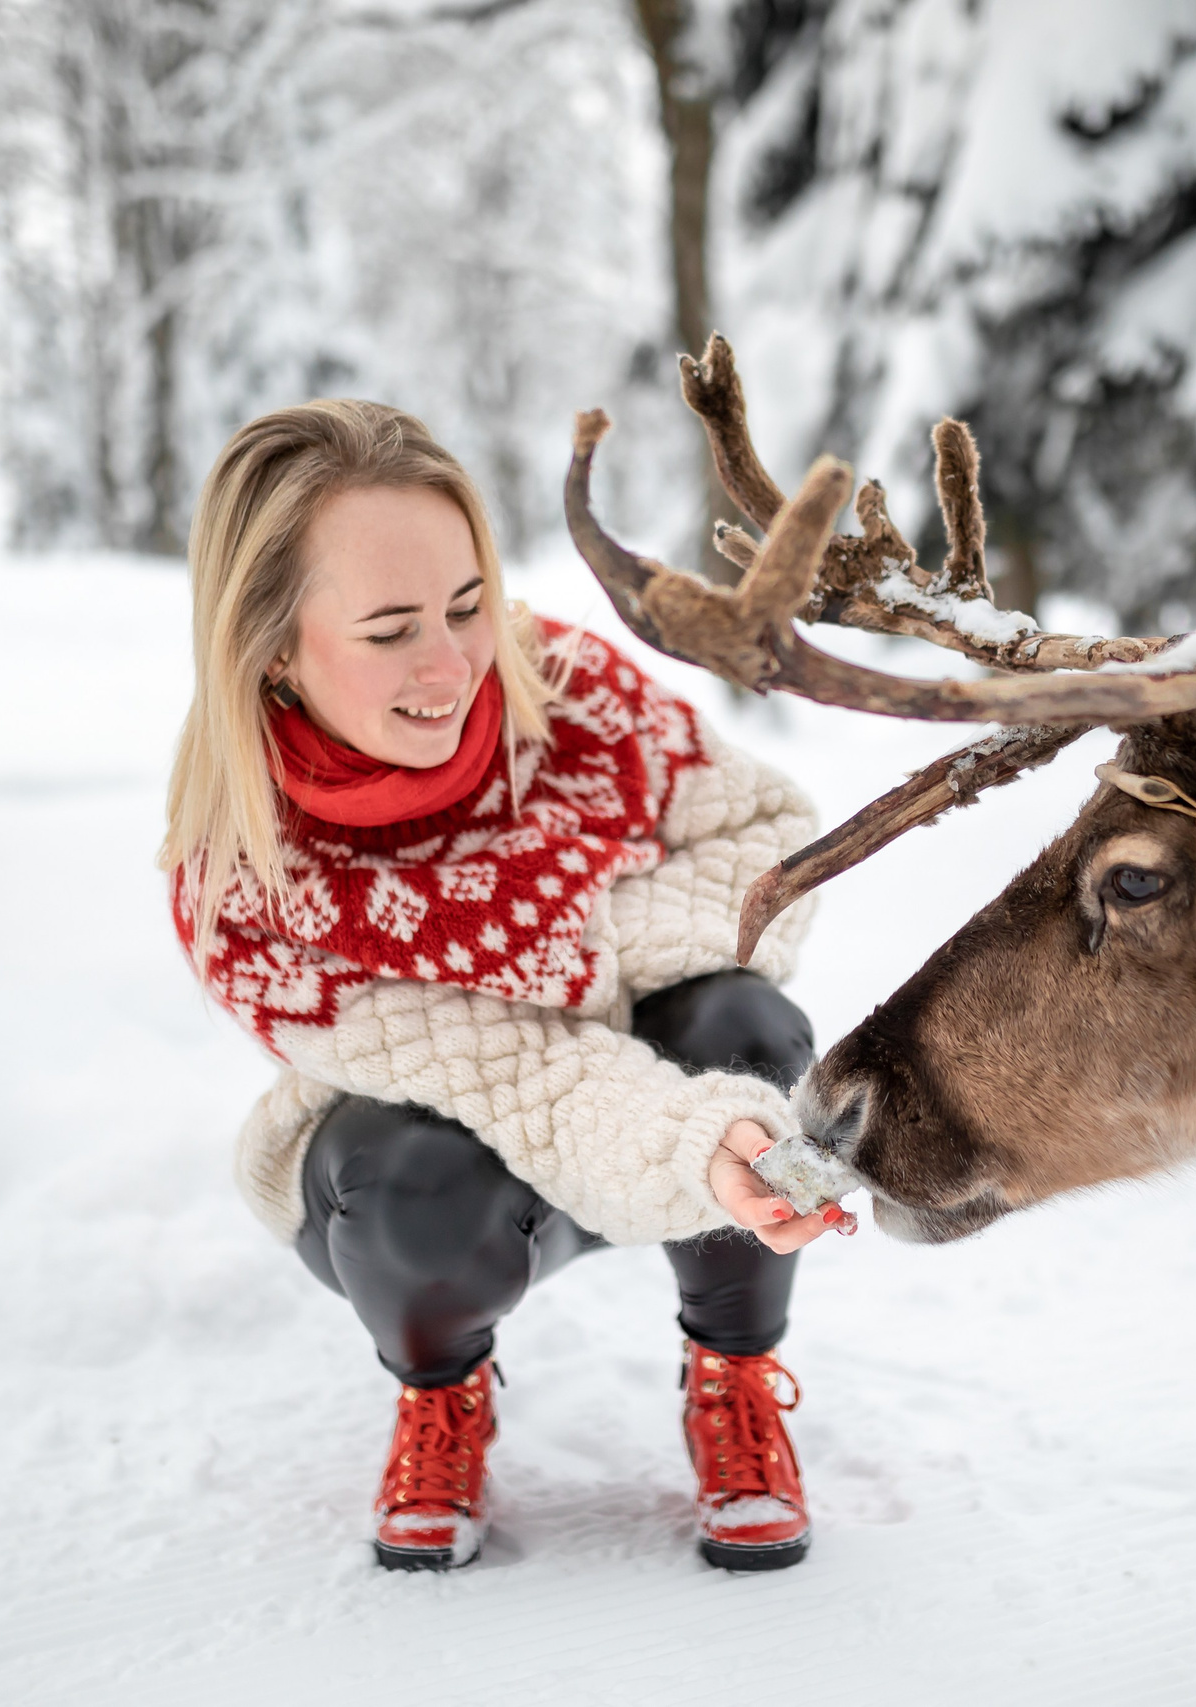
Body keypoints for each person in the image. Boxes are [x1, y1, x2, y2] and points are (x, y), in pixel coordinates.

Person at [161, 399, 846, 1573]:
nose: (451, 666)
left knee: (746, 1030)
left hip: (630, 1103)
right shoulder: (246, 877)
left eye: (467, 605)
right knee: (407, 1179)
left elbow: (768, 832)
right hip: (455, 1173)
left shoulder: (566, 697)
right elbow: (516, 1067)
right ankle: (442, 1391)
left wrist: (608, 976)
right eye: (388, 631)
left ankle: (732, 1373)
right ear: (272, 644)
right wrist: (690, 1136)